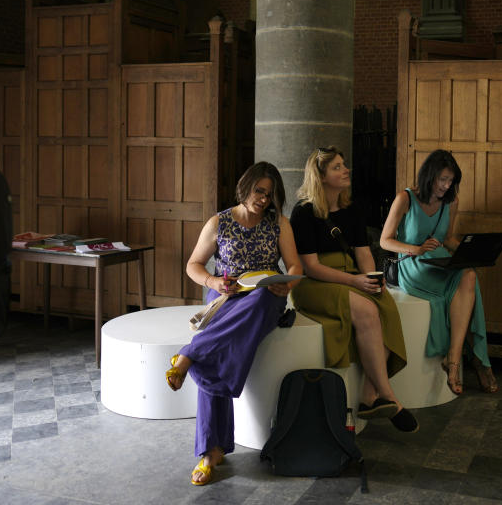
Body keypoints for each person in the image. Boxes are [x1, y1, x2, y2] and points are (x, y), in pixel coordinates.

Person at [165, 162, 303, 486]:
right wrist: (213, 282)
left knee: (257, 299)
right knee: (215, 356)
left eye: (270, 195)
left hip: (268, 298)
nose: (264, 199)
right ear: (246, 186)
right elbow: (193, 265)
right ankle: (211, 451)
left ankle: (188, 354)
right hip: (229, 300)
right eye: (259, 191)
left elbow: (295, 263)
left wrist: (289, 283)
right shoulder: (219, 222)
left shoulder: (279, 223)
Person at [289, 146, 418, 433]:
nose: (345, 169)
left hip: (349, 275)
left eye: (343, 164)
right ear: (320, 176)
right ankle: (390, 397)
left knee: (384, 305)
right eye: (337, 167)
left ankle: (369, 396)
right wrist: (355, 282)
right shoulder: (303, 212)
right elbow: (310, 267)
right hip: (315, 284)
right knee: (367, 309)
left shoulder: (352, 209)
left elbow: (363, 254)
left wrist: (372, 278)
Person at [380, 149, 498, 395]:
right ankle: (477, 360)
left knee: (469, 274)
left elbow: (446, 238)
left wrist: (470, 251)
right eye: (442, 179)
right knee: (467, 285)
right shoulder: (406, 198)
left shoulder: (451, 201)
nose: (447, 185)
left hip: (439, 260)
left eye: (451, 180)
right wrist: (416, 248)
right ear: (429, 176)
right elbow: (385, 241)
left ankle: (453, 359)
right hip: (411, 263)